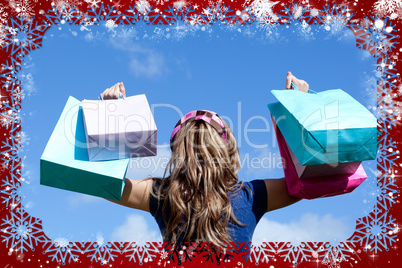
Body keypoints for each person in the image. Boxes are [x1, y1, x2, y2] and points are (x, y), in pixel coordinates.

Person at [105, 71, 309, 248]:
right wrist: (299, 106)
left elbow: (104, 183)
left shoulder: (161, 196)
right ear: (228, 150)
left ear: (177, 153)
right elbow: (306, 180)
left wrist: (109, 115)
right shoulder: (252, 196)